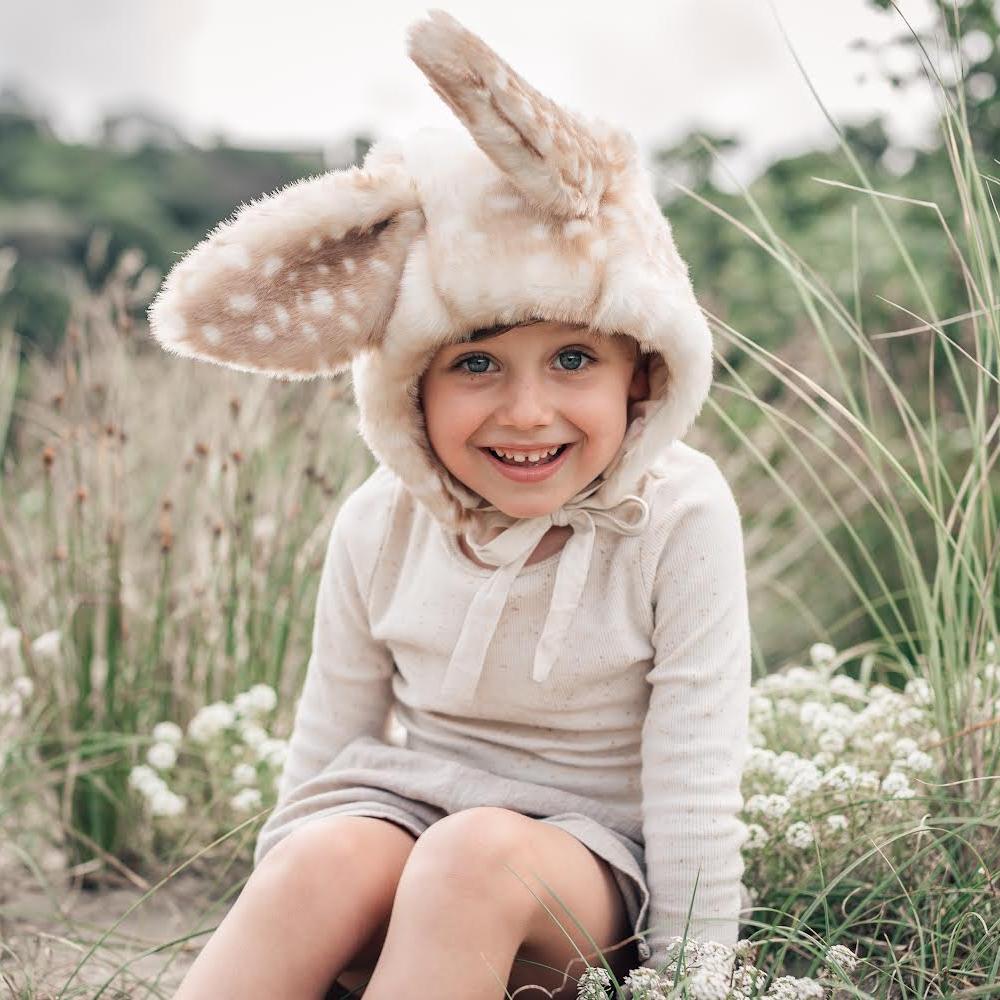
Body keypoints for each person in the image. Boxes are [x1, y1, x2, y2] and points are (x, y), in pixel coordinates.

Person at [148, 9, 753, 999]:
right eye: (474, 362)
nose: (526, 412)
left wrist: (693, 979)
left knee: (471, 859)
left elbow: (694, 777)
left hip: (576, 865)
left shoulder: (678, 515)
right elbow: (328, 739)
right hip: (402, 815)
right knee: (322, 855)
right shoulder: (377, 521)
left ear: (641, 375)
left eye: (572, 359)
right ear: (407, 391)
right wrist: (304, 900)